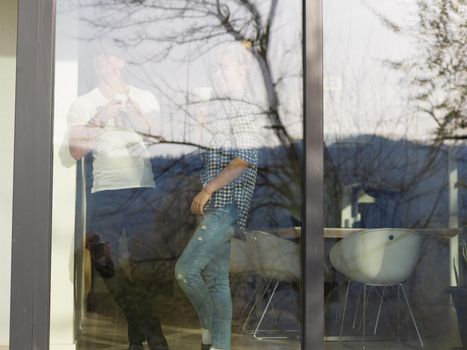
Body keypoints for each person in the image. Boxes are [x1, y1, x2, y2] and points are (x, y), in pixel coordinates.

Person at [67, 46, 169, 350]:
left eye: (108, 53)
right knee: (104, 263)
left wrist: (134, 113)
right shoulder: (84, 103)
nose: (101, 57)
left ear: (121, 61)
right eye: (97, 53)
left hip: (142, 191)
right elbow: (75, 151)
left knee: (143, 266)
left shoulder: (145, 97)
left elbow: (162, 139)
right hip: (105, 193)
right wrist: (99, 118)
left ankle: (137, 336)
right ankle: (149, 326)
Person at [175, 42, 261, 350]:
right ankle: (218, 345)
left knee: (185, 270)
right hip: (216, 207)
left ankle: (211, 328)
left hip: (227, 206)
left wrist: (209, 189)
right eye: (216, 68)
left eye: (224, 66)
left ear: (242, 69)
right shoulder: (222, 109)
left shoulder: (245, 106)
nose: (218, 74)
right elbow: (201, 150)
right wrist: (200, 116)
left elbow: (244, 158)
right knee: (217, 281)